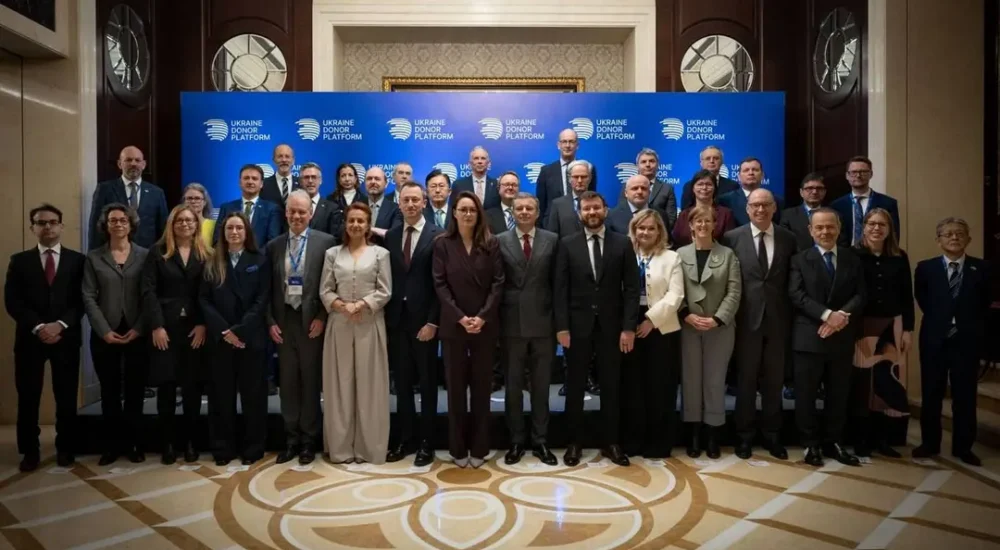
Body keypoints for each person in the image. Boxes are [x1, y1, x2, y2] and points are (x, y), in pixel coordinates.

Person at [555, 190, 640, 467]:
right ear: (579, 213)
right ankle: (574, 443)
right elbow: (560, 289)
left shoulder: (622, 243)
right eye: (586, 209)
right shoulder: (566, 244)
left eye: (596, 208)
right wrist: (562, 327)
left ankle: (611, 442)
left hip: (612, 328)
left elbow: (631, 289)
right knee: (575, 386)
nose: (591, 213)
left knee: (611, 387)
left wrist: (628, 328)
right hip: (576, 328)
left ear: (605, 210)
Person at [4, 204, 85, 471]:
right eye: (41, 223)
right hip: (30, 340)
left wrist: (60, 325)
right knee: (28, 397)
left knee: (66, 397)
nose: (47, 226)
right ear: (33, 228)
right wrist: (39, 327)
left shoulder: (78, 261)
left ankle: (66, 448)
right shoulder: (19, 261)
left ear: (61, 226)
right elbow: (13, 302)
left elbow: (82, 300)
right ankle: (30, 451)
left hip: (66, 338)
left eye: (52, 222)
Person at [721, 189, 796, 460]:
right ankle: (744, 437)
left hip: (778, 321)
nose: (760, 209)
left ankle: (773, 436)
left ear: (774, 208)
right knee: (746, 381)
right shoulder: (732, 238)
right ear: (747, 209)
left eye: (766, 205)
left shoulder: (788, 238)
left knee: (774, 382)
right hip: (745, 321)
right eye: (755, 205)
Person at [432, 191, 505, 468]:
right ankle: (458, 448)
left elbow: (498, 282)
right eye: (462, 209)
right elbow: (439, 284)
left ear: (478, 213)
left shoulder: (491, 242)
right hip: (454, 326)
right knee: (455, 390)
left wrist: (482, 317)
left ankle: (480, 446)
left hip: (484, 327)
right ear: (454, 213)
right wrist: (461, 318)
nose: (467, 214)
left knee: (482, 389)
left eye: (472, 210)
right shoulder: (442, 244)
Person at [789, 207, 865, 467]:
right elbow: (796, 295)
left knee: (838, 394)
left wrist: (840, 317)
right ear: (810, 231)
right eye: (819, 227)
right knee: (806, 395)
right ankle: (810, 444)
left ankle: (834, 442)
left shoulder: (852, 259)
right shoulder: (799, 259)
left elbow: (860, 294)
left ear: (839, 228)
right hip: (808, 337)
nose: (825, 232)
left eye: (830, 226)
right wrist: (826, 315)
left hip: (841, 337)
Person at [913, 217, 991, 466]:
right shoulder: (925, 268)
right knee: (931, 393)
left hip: (967, 340)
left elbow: (985, 302)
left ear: (968, 239)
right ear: (938, 241)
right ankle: (929, 443)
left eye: (959, 233)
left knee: (965, 395)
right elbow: (923, 300)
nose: (954, 238)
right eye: (948, 234)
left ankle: (963, 447)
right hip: (934, 339)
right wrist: (945, 321)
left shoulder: (983, 268)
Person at [267, 191, 336, 465]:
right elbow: (266, 289)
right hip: (284, 321)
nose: (297, 216)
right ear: (286, 213)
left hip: (312, 322)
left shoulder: (326, 243)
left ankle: (309, 440)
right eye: (292, 211)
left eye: (302, 212)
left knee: (310, 381)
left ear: (311, 213)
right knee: (288, 383)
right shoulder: (273, 246)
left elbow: (332, 284)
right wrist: (270, 322)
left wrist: (322, 316)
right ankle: (291, 439)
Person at [320, 203, 392, 464]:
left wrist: (361, 304)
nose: (356, 225)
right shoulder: (332, 254)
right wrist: (342, 306)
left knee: (369, 386)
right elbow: (325, 290)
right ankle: (341, 448)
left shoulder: (380, 254)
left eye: (361, 221)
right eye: (351, 220)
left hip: (369, 324)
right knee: (340, 386)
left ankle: (367, 448)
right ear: (345, 223)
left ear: (368, 224)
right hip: (339, 325)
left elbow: (385, 291)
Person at [199, 212, 271, 466]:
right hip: (221, 339)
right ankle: (222, 448)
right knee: (221, 396)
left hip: (250, 337)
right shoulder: (211, 260)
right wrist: (224, 331)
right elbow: (204, 299)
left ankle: (253, 447)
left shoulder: (260, 259)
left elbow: (262, 299)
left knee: (254, 396)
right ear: (223, 232)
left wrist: (239, 331)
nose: (234, 232)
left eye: (239, 227)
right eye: (230, 228)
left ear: (247, 231)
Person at [142, 204, 210, 464]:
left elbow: (208, 293)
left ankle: (191, 443)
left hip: (195, 329)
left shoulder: (206, 253)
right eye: (180, 220)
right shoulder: (157, 252)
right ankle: (168, 444)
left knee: (192, 389)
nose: (185, 224)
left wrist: (202, 323)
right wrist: (156, 326)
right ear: (172, 224)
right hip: (165, 330)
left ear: (196, 224)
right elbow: (148, 291)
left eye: (190, 220)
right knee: (167, 388)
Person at [82, 203, 150, 465]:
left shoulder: (145, 255)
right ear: (105, 225)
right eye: (113, 220)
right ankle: (111, 446)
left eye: (123, 220)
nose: (118, 224)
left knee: (135, 392)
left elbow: (150, 295)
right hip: (105, 333)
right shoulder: (94, 257)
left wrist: (139, 328)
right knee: (109, 393)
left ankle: (134, 444)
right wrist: (103, 330)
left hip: (136, 331)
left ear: (131, 225)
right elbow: (88, 296)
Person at [498, 192, 560, 465]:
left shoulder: (552, 240)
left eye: (529, 208)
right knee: (512, 387)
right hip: (511, 325)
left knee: (541, 386)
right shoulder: (499, 240)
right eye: (519, 208)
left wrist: (560, 324)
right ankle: (516, 441)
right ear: (512, 213)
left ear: (537, 213)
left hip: (544, 324)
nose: (524, 212)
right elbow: (496, 283)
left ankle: (540, 440)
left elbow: (558, 284)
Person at [385, 181, 444, 467]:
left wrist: (433, 321)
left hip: (425, 323)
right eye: (405, 200)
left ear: (424, 202)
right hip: (397, 321)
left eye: (415, 200)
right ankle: (406, 439)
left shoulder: (438, 236)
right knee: (403, 384)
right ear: (399, 203)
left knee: (428, 384)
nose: (410, 204)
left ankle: (427, 442)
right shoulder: (391, 235)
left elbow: (441, 284)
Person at [677, 205, 742, 459]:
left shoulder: (728, 255)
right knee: (691, 381)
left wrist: (717, 319)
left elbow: (734, 292)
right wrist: (686, 314)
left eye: (708, 221)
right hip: (688, 327)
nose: (703, 225)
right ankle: (693, 435)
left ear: (715, 225)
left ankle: (713, 435)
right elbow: (674, 290)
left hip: (719, 329)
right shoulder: (679, 254)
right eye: (698, 221)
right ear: (691, 225)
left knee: (715, 382)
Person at [851, 208, 913, 459]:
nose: (876, 228)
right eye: (872, 224)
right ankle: (860, 439)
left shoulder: (899, 257)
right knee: (863, 383)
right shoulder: (853, 255)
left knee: (887, 381)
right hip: (861, 326)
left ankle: (883, 439)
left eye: (882, 225)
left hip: (891, 326)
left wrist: (908, 329)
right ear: (864, 227)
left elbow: (907, 295)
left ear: (889, 230)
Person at [622, 208, 684, 458]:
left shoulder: (672, 257)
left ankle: (658, 443)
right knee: (633, 385)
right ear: (633, 230)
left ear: (659, 232)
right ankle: (633, 441)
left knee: (660, 385)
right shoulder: (624, 254)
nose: (645, 232)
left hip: (661, 327)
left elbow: (676, 295)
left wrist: (651, 320)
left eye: (651, 228)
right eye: (641, 228)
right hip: (629, 324)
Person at [88, 146, 168, 250]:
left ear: (143, 165)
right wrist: (93, 254)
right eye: (128, 160)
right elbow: (95, 225)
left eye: (137, 160)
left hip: (148, 253)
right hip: (113, 252)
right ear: (119, 164)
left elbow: (163, 228)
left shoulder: (156, 193)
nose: (133, 164)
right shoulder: (105, 189)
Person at [831, 156, 901, 246]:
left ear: (871, 174)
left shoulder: (888, 203)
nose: (858, 175)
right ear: (847, 176)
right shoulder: (836, 206)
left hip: (877, 252)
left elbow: (894, 236)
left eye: (863, 172)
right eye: (854, 172)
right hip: (845, 253)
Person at [214, 164, 282, 247]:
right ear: (240, 183)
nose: (250, 182)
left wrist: (254, 255)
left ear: (261, 184)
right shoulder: (226, 208)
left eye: (254, 178)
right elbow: (217, 239)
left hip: (260, 255)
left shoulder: (272, 209)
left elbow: (273, 242)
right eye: (246, 178)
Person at [536, 129, 598, 220]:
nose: (568, 145)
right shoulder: (546, 171)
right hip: (552, 223)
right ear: (558, 145)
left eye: (571, 142)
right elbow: (540, 204)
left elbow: (591, 197)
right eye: (564, 142)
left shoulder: (588, 168)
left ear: (577, 145)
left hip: (581, 221)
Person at [672, 170, 736, 248]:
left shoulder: (726, 214)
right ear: (693, 188)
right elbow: (676, 242)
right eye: (700, 184)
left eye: (709, 184)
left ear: (715, 188)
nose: (704, 187)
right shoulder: (684, 215)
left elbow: (730, 242)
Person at [617, 148, 677, 230]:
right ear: (637, 165)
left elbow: (670, 218)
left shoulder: (667, 188)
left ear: (658, 165)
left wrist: (656, 233)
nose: (648, 165)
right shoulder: (627, 186)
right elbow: (622, 212)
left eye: (651, 161)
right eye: (643, 162)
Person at [718, 157, 784, 226]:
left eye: (755, 170)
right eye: (746, 170)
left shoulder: (776, 201)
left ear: (762, 175)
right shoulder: (725, 201)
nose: (751, 173)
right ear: (739, 176)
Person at [680, 146, 739, 210]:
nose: (711, 161)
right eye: (708, 158)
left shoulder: (733, 186)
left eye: (716, 158)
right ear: (701, 163)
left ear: (722, 162)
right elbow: (686, 211)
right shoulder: (689, 186)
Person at [780, 173, 827, 252]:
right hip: (798, 258)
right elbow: (785, 244)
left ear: (824, 192)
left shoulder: (835, 215)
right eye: (809, 188)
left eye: (819, 188)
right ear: (801, 192)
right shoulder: (788, 215)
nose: (814, 192)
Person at [299, 162, 344, 241]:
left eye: (314, 177)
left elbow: (334, 239)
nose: (310, 181)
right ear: (301, 181)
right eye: (306, 177)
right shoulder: (293, 207)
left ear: (320, 180)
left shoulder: (332, 208)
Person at [260, 144, 298, 208]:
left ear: (293, 160)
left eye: (287, 156)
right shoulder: (263, 185)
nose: (284, 160)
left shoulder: (302, 183)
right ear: (274, 160)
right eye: (280, 156)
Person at [182, 183, 216, 247]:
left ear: (205, 202)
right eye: (189, 198)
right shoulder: (178, 225)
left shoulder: (214, 226)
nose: (193, 201)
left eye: (197, 198)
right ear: (184, 201)